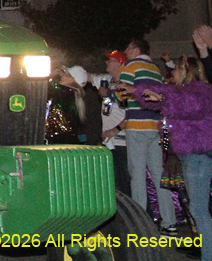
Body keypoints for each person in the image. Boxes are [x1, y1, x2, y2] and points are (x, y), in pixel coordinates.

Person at [126, 56, 212, 261]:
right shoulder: (183, 92)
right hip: (188, 156)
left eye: (175, 70)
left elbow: (189, 107)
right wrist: (135, 91)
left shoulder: (199, 91)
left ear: (185, 71)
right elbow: (164, 94)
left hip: (197, 157)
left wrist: (163, 99)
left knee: (199, 210)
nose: (171, 73)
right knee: (197, 208)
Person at [114, 38, 177, 234]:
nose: (125, 50)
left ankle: (139, 225)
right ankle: (169, 222)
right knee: (159, 175)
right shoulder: (155, 68)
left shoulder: (130, 65)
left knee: (137, 176)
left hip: (137, 126)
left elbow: (122, 94)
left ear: (134, 48)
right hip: (155, 126)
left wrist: (114, 93)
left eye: (127, 47)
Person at [89, 51, 131, 196]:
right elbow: (86, 76)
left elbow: (132, 113)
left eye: (111, 60)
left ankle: (133, 213)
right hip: (109, 140)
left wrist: (115, 129)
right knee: (113, 181)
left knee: (125, 180)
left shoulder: (127, 85)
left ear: (120, 64)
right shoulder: (107, 80)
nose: (106, 63)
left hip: (123, 140)